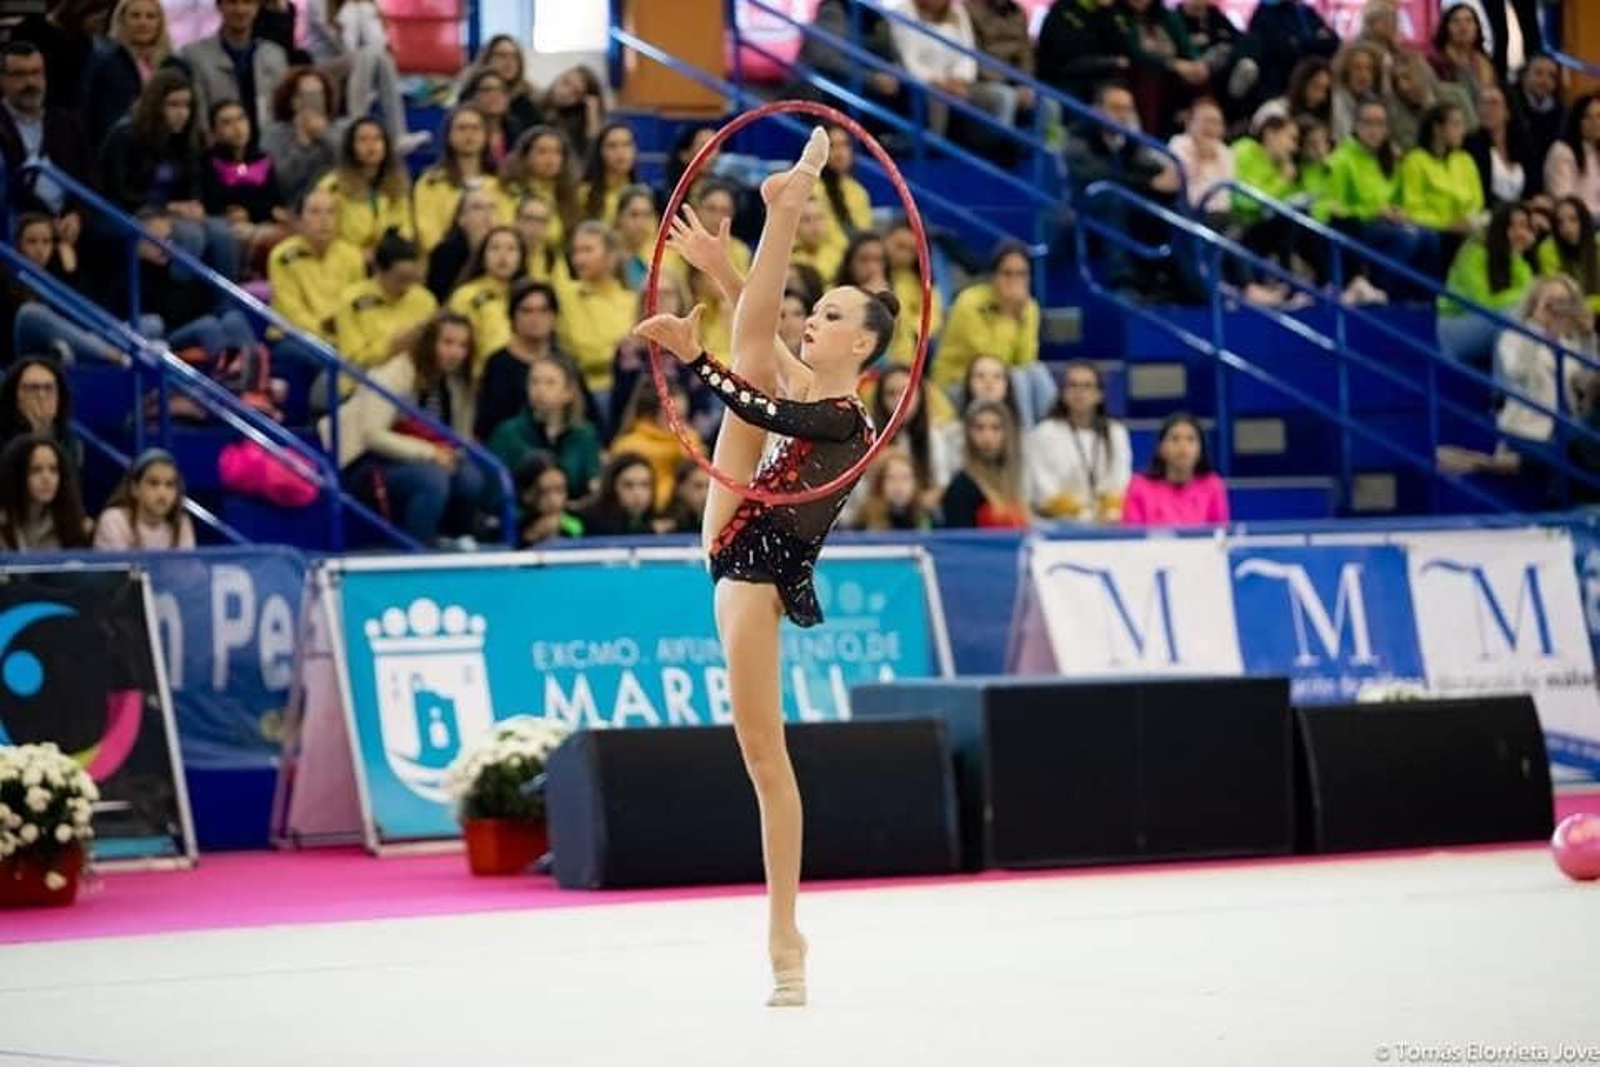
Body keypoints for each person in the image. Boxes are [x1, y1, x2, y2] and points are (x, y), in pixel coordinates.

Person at [632, 127, 893, 1009]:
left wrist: (690, 355)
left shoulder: (847, 420)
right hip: (738, 536)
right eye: (815, 310)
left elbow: (753, 397)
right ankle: (787, 199)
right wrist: (717, 268)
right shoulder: (813, 390)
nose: (813, 320)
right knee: (752, 349)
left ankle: (787, 934)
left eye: (831, 317)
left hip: (753, 569)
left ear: (861, 349)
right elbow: (761, 357)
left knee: (764, 757)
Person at [1121, 412, 1228, 526]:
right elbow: (1132, 535)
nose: (1183, 446)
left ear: (1201, 450)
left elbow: (1220, 533)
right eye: (1175, 439)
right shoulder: (1139, 487)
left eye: (1190, 439)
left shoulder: (1212, 486)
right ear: (1161, 448)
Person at [93, 447, 196, 549]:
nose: (162, 493)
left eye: (170, 484)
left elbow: (189, 560)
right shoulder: (113, 520)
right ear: (134, 489)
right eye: (153, 483)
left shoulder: (181, 523)